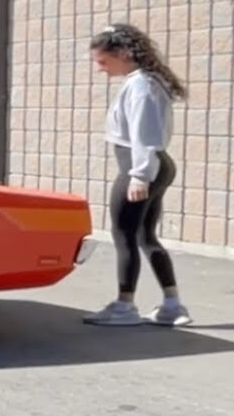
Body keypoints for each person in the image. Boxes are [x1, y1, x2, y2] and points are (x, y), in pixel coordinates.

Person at [82, 23, 191, 327]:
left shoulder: (141, 86)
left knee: (124, 234)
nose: (100, 70)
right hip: (155, 165)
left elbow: (146, 133)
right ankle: (172, 305)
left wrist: (139, 175)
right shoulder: (146, 82)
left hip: (141, 165)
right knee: (144, 234)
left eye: (103, 62)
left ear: (124, 54)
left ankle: (125, 306)